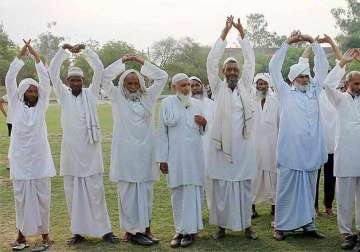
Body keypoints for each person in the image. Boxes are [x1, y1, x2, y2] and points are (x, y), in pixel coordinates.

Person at [49, 43, 118, 245]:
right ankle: (78, 232)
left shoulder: (91, 93)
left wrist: (85, 51)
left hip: (90, 151)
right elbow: (53, 71)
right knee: (73, 193)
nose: (76, 82)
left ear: (83, 80)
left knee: (96, 191)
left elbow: (99, 68)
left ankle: (105, 231)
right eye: (72, 80)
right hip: (71, 153)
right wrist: (63, 50)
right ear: (67, 81)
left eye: (78, 79)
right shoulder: (62, 96)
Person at [102, 55, 168, 246]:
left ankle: (146, 229)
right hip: (126, 155)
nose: (132, 85)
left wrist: (140, 62)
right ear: (123, 84)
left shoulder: (149, 97)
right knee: (128, 193)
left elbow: (162, 77)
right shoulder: (116, 96)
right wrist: (122, 61)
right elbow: (105, 78)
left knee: (146, 192)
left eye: (136, 82)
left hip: (145, 153)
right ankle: (131, 232)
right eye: (129, 82)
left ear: (140, 84)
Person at [269, 31, 329, 241]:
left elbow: (322, 68)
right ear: (292, 79)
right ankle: (280, 226)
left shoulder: (314, 91)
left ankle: (308, 225)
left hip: (311, 152)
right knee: (285, 191)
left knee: (310, 191)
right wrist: (286, 43)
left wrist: (314, 43)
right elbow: (273, 68)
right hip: (290, 153)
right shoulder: (284, 93)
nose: (305, 79)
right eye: (301, 76)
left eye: (306, 76)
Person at [206, 15, 257, 240]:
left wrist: (242, 34)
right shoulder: (217, 88)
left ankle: (247, 226)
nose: (233, 72)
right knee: (223, 188)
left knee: (244, 186)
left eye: (236, 70)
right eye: (230, 69)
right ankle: (221, 227)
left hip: (244, 146)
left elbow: (251, 61)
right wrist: (224, 33)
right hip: (221, 148)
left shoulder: (246, 86)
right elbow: (211, 61)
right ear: (223, 73)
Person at [6, 40, 56, 251]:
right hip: (20, 160)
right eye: (29, 92)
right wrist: (21, 54)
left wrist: (36, 57)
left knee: (43, 197)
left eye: (35, 92)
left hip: (40, 161)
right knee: (21, 200)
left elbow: (46, 81)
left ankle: (45, 236)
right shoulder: (15, 105)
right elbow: (10, 78)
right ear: (22, 93)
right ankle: (21, 236)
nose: (33, 94)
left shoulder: (41, 106)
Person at [157, 73, 207, 248]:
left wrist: (204, 123)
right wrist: (162, 159)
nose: (187, 88)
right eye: (183, 85)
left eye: (188, 85)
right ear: (174, 87)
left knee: (193, 192)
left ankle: (190, 232)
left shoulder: (198, 104)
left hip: (194, 157)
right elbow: (162, 132)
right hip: (175, 157)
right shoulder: (166, 103)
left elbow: (203, 132)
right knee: (177, 193)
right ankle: (179, 230)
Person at [322, 48, 360, 251]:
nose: (359, 86)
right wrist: (342, 63)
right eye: (356, 83)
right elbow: (327, 84)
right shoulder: (340, 99)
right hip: (345, 155)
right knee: (344, 197)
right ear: (347, 84)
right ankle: (346, 233)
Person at [251, 73, 279, 226]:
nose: (262, 86)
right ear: (255, 86)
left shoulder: (276, 102)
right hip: (254, 146)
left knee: (273, 177)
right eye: (259, 84)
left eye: (264, 84)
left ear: (269, 85)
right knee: (253, 177)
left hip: (272, 145)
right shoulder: (249, 102)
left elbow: (280, 124)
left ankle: (275, 206)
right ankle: (251, 207)